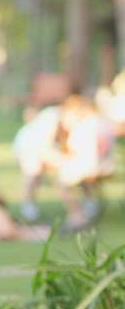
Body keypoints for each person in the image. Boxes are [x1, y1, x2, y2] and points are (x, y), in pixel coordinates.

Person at [12, 96, 114, 228]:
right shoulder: (51, 117)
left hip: (52, 151)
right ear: (67, 111)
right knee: (33, 166)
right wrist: (64, 161)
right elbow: (42, 149)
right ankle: (28, 207)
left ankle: (87, 203)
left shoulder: (74, 125)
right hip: (28, 147)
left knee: (77, 168)